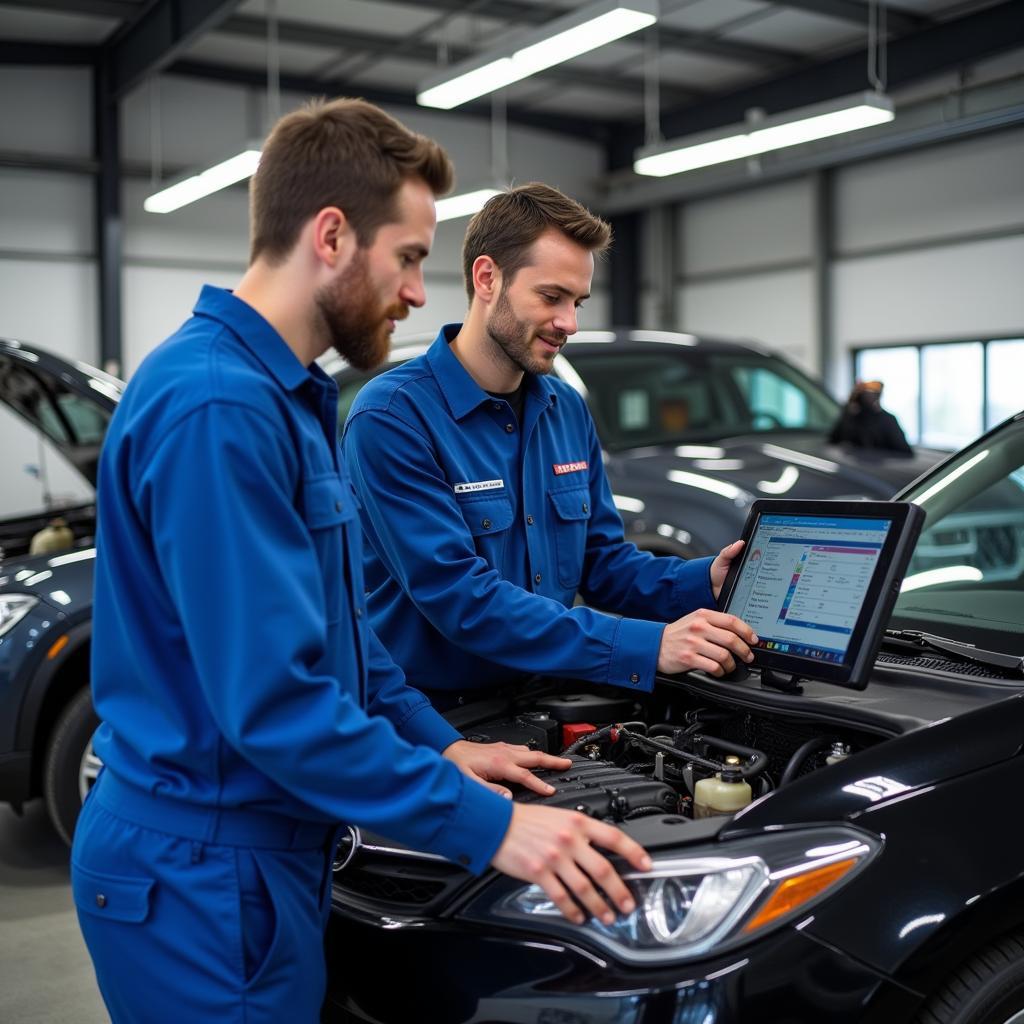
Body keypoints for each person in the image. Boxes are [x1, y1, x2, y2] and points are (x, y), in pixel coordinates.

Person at [71, 102, 651, 1024]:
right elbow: (277, 702)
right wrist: (495, 829)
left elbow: (345, 645)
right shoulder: (220, 408)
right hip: (203, 872)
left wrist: (444, 745)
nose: (422, 294)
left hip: (270, 848)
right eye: (412, 258)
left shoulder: (287, 397)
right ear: (333, 236)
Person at [342, 183, 758, 712]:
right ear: (487, 278)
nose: (570, 323)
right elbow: (461, 599)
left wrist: (704, 581)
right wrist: (646, 645)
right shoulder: (393, 416)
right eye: (551, 297)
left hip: (549, 694)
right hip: (433, 716)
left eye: (578, 301)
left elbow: (603, 565)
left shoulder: (566, 408)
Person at [828, 379, 913, 455]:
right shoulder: (849, 418)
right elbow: (832, 441)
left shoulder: (887, 420)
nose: (868, 398)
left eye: (872, 394)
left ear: (878, 397)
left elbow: (904, 450)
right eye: (862, 395)